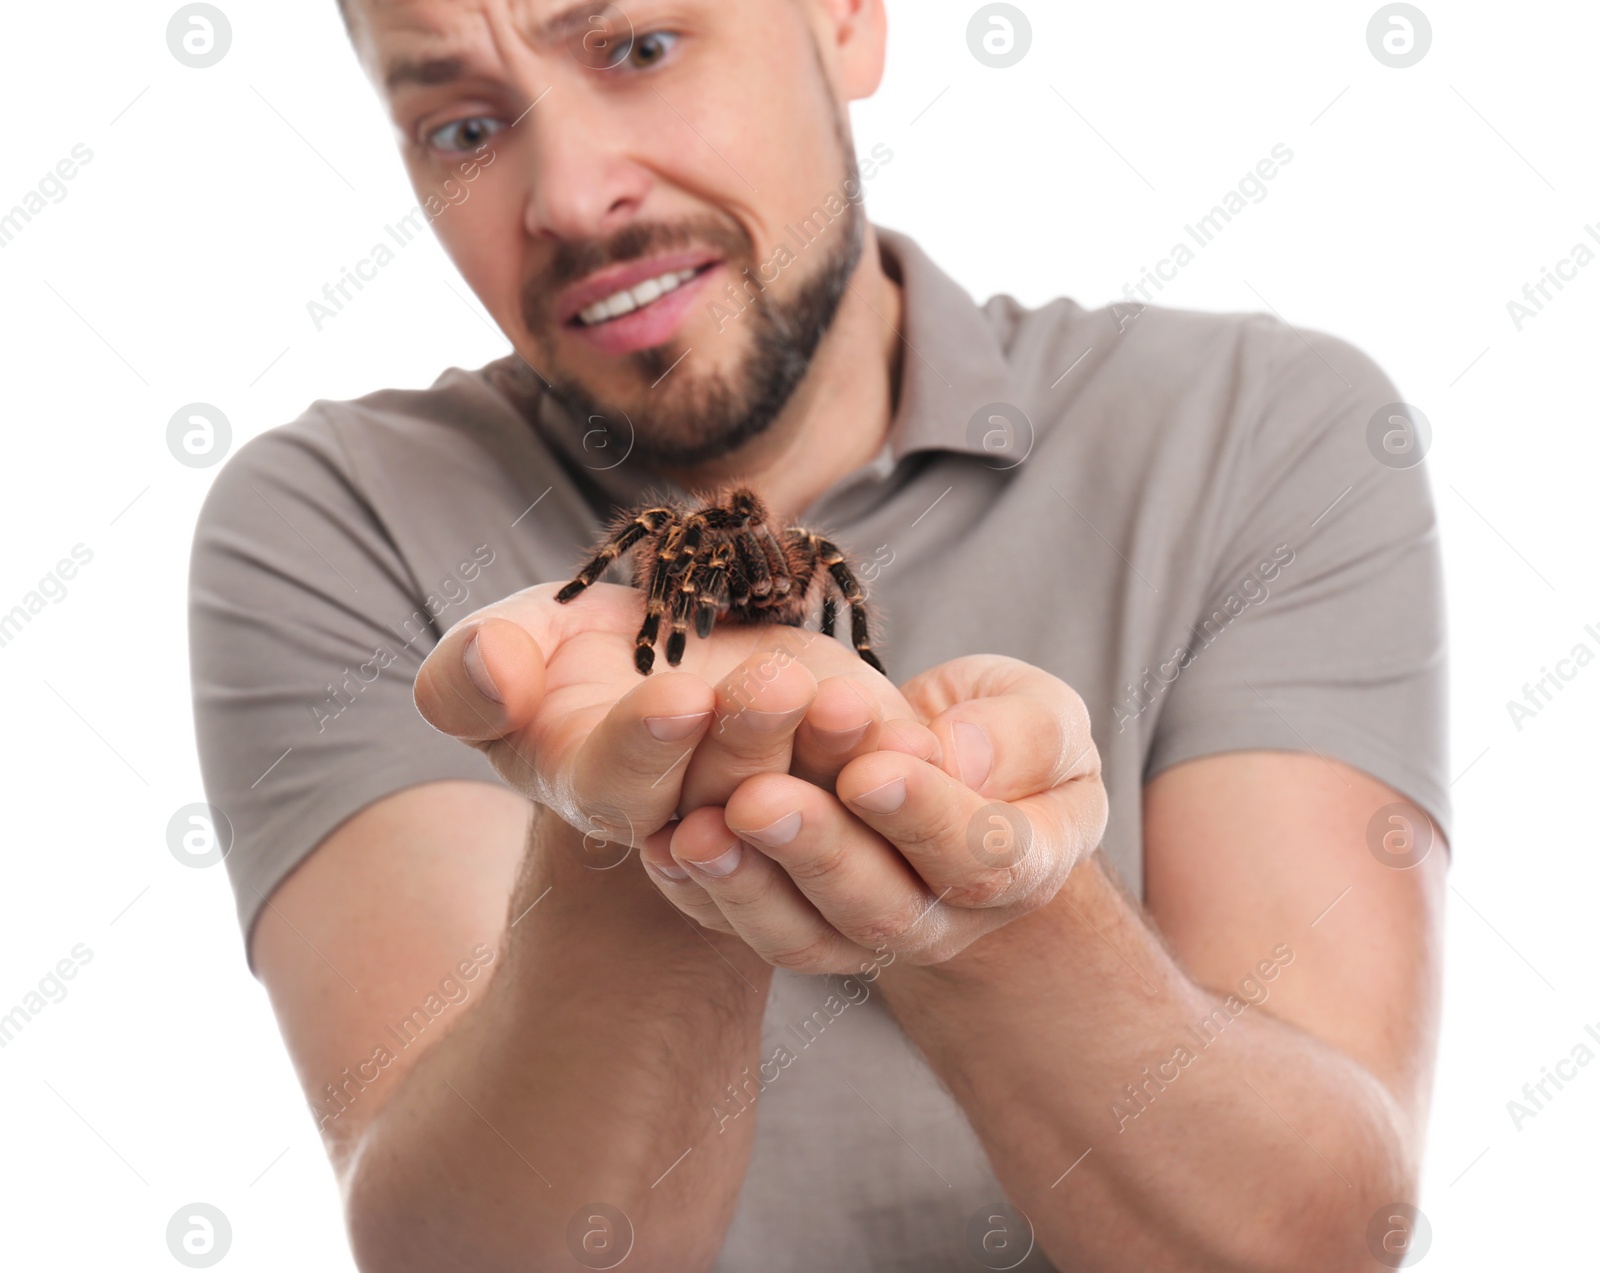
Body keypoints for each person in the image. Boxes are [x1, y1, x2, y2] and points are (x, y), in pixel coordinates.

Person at [187, 1, 1450, 1269]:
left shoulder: (1263, 430)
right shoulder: (331, 515)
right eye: (463, 124)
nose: (570, 197)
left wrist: (996, 912)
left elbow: (1324, 1244)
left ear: (845, 18)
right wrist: (642, 824)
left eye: (636, 47)